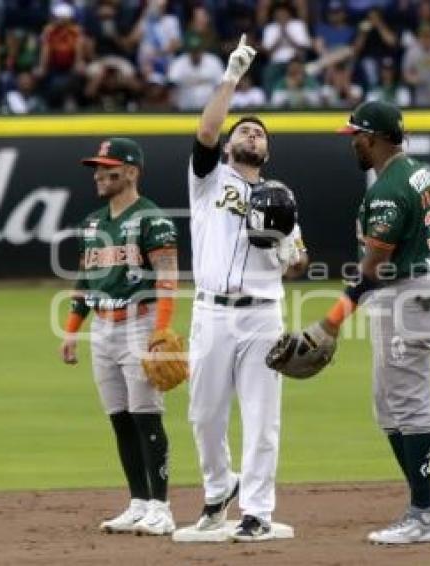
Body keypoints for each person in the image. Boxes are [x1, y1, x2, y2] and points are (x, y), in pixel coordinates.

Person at [283, 100, 430, 544]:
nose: (352, 142)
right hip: (419, 287)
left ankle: (423, 514)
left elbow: (374, 268)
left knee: (411, 403)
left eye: (356, 135)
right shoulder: (416, 170)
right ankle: (428, 505)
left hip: (409, 296)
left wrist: (330, 322)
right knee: (388, 404)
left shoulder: (388, 190)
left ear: (374, 138)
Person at [171, 34, 308, 543]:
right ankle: (216, 493)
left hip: (262, 315)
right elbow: (207, 129)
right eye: (244, 130)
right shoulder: (209, 179)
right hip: (210, 311)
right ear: (230, 146)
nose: (252, 134)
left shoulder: (281, 198)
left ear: (266, 150)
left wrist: (283, 249)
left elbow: (298, 261)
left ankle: (257, 512)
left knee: (261, 416)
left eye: (259, 132)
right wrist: (231, 77)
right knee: (203, 413)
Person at [60, 137, 180, 536]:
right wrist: (71, 330)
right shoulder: (92, 223)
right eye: (96, 167)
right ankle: (138, 502)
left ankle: (161, 507)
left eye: (108, 168)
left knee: (146, 415)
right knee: (120, 419)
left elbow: (166, 278)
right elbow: (84, 280)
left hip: (140, 323)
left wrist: (161, 328)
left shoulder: (153, 218)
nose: (98, 174)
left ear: (131, 172)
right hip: (103, 328)